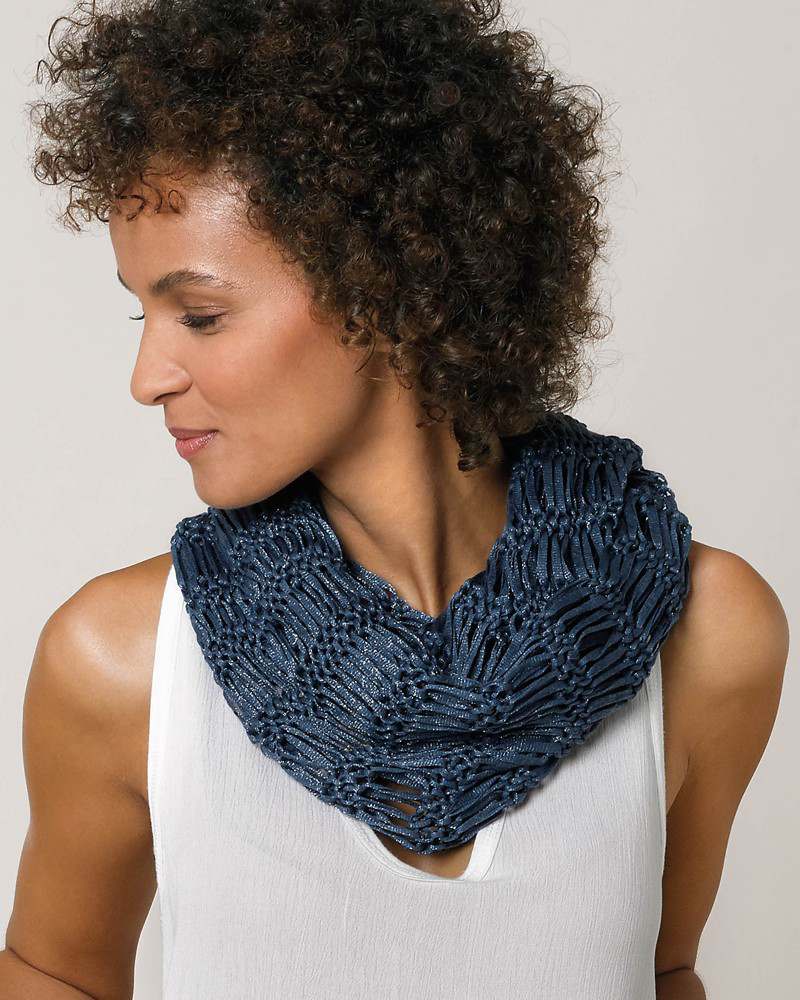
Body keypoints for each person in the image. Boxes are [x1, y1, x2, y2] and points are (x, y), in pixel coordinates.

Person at [2, 1, 788, 998]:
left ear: (386, 289)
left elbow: (659, 974)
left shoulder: (707, 637)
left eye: (199, 314)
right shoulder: (121, 664)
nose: (147, 376)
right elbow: (52, 974)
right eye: (141, 312)